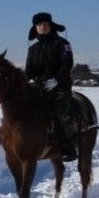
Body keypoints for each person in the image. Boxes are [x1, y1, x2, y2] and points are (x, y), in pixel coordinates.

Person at [25, 12, 77, 161]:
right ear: (35, 28)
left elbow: (67, 64)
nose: (42, 27)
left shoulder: (62, 44)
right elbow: (29, 71)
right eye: (39, 25)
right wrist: (27, 81)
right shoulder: (32, 49)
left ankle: (68, 146)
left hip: (60, 85)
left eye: (45, 24)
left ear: (50, 25)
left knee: (61, 112)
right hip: (39, 87)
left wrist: (55, 80)